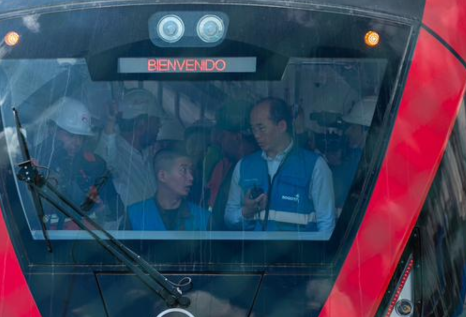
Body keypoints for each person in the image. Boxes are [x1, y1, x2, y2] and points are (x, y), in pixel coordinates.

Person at [224, 98, 335, 236]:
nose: (256, 135)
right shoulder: (244, 166)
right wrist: (246, 212)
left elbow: (327, 225)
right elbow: (229, 218)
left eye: (261, 128)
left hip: (299, 250)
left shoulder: (315, 165)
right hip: (254, 249)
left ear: (282, 126)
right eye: (253, 129)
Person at [29, 97, 122, 228]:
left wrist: (98, 205)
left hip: (91, 239)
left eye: (81, 137)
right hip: (43, 238)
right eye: (71, 135)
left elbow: (116, 211)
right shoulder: (34, 162)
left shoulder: (95, 165)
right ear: (53, 129)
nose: (77, 142)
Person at [96, 88, 163, 207]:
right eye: (156, 121)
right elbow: (104, 161)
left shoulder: (147, 155)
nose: (159, 126)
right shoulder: (117, 154)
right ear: (141, 123)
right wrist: (110, 122)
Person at [126, 149, 209, 231]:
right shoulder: (134, 215)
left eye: (191, 171)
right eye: (183, 170)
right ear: (162, 176)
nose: (191, 178)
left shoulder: (203, 218)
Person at [329, 96, 376, 208]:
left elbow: (333, 193)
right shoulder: (372, 158)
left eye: (353, 128)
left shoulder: (357, 162)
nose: (348, 132)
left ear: (367, 131)